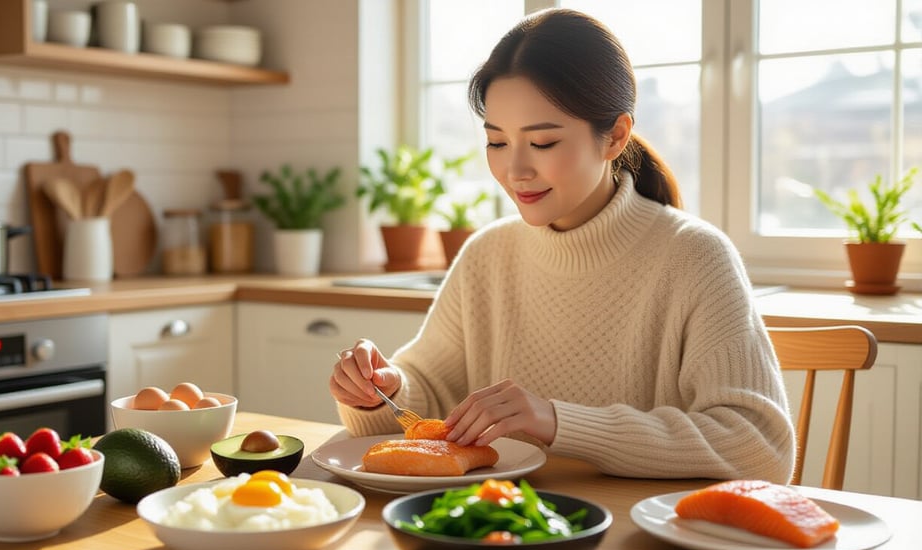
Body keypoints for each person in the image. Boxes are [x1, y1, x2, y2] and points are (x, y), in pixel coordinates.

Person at [331, 8, 795, 482]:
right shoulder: (487, 254)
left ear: (615, 135)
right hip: (499, 533)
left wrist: (557, 422)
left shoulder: (694, 256)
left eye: (544, 143)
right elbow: (424, 400)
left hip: (636, 543)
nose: (514, 172)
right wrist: (378, 392)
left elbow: (758, 446)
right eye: (496, 142)